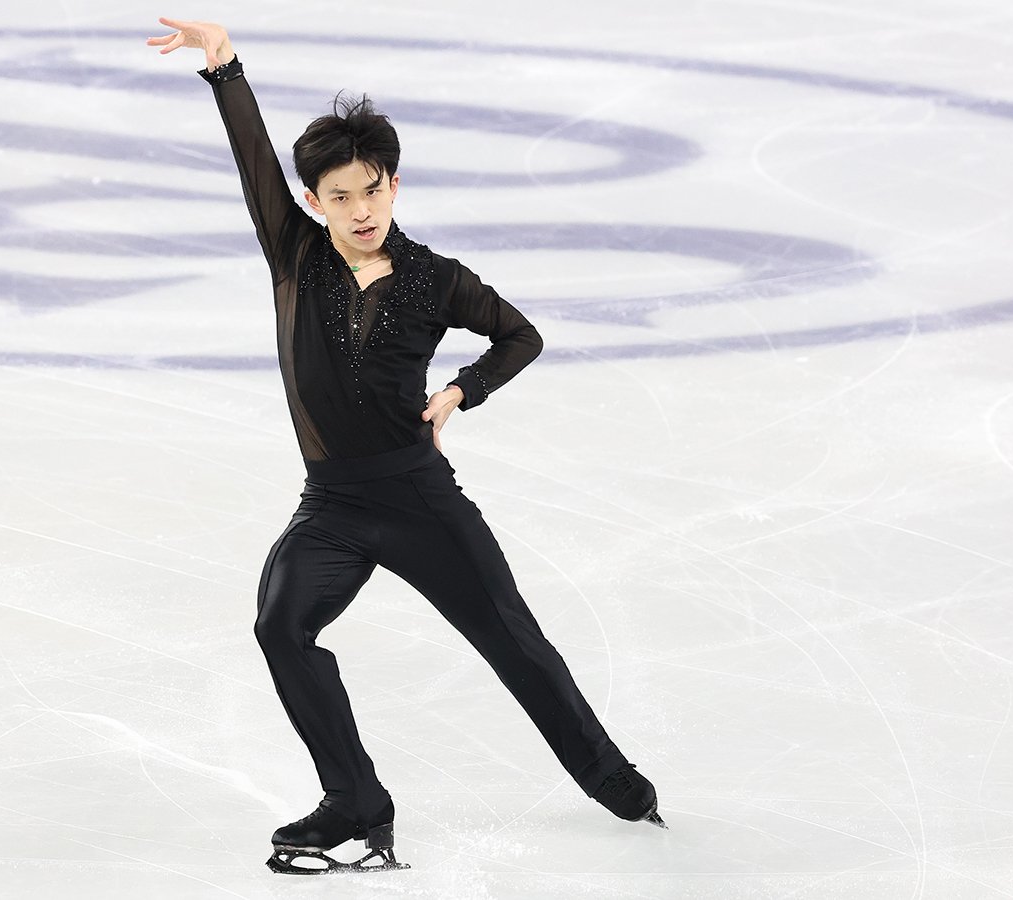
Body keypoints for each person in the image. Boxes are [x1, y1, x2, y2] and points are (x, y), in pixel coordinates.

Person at [147, 17, 664, 875]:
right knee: (282, 626)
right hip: (334, 506)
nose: (360, 210)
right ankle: (355, 798)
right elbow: (252, 162)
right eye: (340, 196)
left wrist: (463, 389)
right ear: (314, 201)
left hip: (421, 501)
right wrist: (224, 67)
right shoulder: (295, 255)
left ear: (395, 184)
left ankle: (620, 786)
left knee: (516, 645)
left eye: (373, 189)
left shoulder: (434, 276)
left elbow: (520, 335)